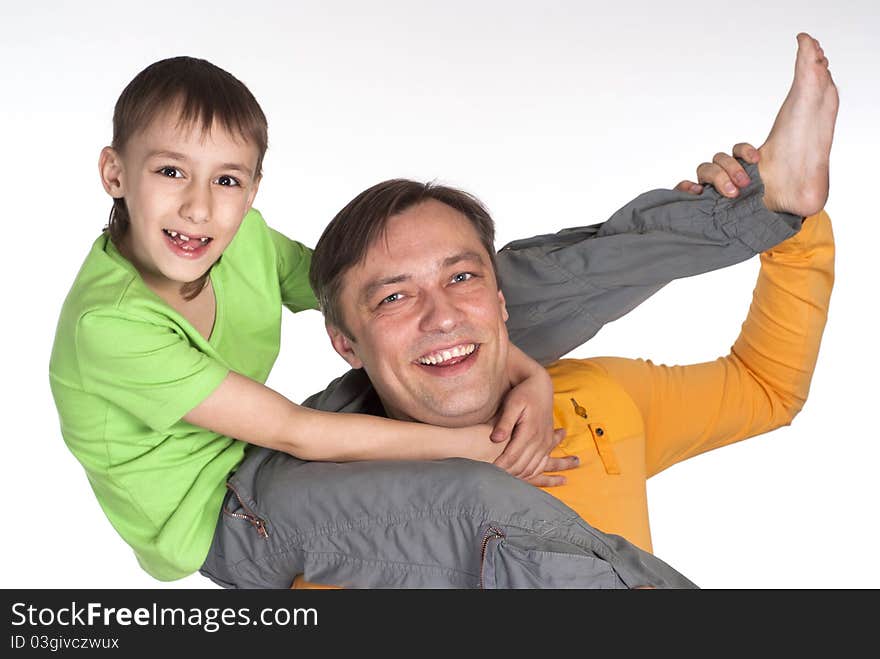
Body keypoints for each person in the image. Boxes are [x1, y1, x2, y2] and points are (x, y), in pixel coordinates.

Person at [51, 39, 810, 587]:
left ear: (251, 191)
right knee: (472, 498)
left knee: (445, 279)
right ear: (115, 172)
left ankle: (762, 206)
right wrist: (481, 449)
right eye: (169, 171)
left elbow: (366, 291)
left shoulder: (236, 235)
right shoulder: (110, 325)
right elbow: (295, 430)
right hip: (232, 517)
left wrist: (531, 378)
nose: (197, 204)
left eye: (225, 180)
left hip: (302, 445)